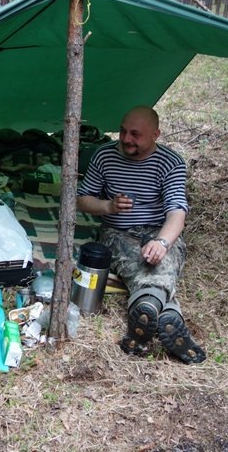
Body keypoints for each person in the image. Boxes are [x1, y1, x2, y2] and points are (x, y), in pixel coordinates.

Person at [76, 106, 205, 364]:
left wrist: (162, 242)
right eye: (123, 131)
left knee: (162, 259)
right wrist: (107, 206)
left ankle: (145, 309)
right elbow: (83, 199)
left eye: (135, 134)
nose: (126, 139)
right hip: (118, 230)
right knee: (136, 264)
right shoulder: (104, 156)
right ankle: (168, 315)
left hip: (158, 230)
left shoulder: (171, 162)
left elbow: (177, 212)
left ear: (155, 135)